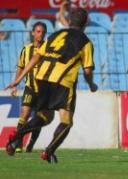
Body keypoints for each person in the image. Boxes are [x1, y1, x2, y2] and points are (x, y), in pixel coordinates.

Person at [5, 8, 98, 164]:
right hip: (62, 81)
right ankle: (48, 152)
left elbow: (36, 56)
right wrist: (91, 84)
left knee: (45, 116)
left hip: (41, 78)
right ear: (86, 22)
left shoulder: (56, 34)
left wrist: (18, 79)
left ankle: (17, 135)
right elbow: (88, 71)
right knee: (66, 121)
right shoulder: (85, 42)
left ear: (69, 21)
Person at [12, 21, 54, 153]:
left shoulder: (49, 51)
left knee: (39, 119)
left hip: (44, 90)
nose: (40, 34)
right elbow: (20, 68)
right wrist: (15, 85)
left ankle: (31, 144)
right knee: (24, 114)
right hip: (29, 87)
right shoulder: (26, 50)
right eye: (38, 31)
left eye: (43, 32)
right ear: (33, 33)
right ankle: (18, 143)